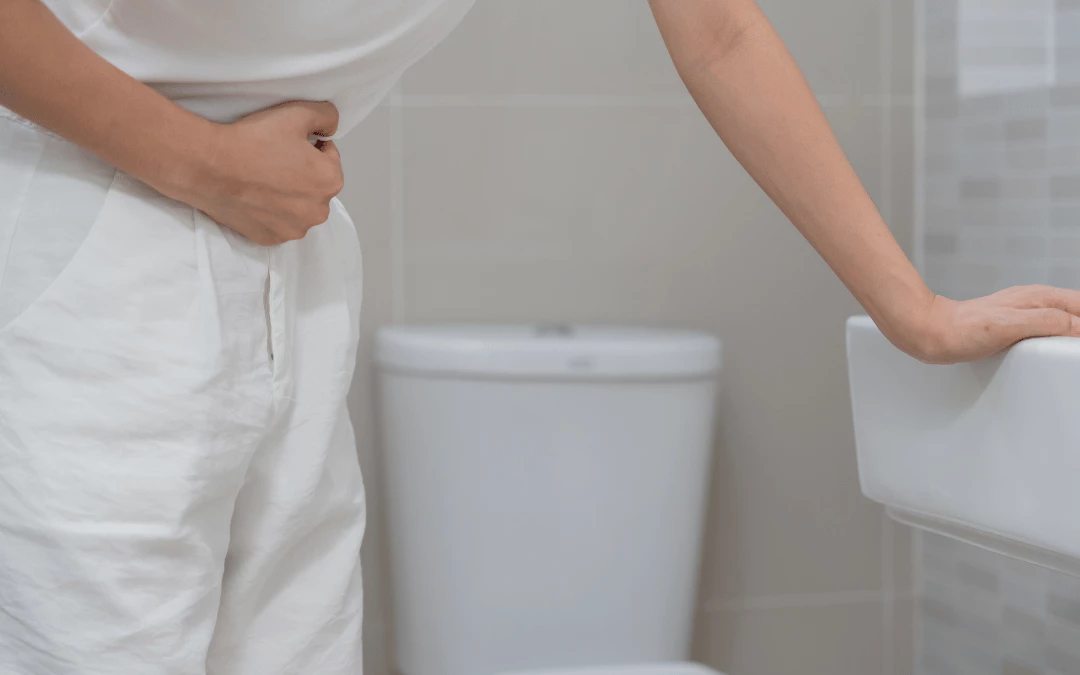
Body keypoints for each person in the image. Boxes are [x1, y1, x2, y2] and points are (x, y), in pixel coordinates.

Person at [0, 0, 1076, 672]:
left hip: (295, 251)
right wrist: (203, 162)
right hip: (84, 229)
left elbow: (722, 28)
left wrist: (913, 308)